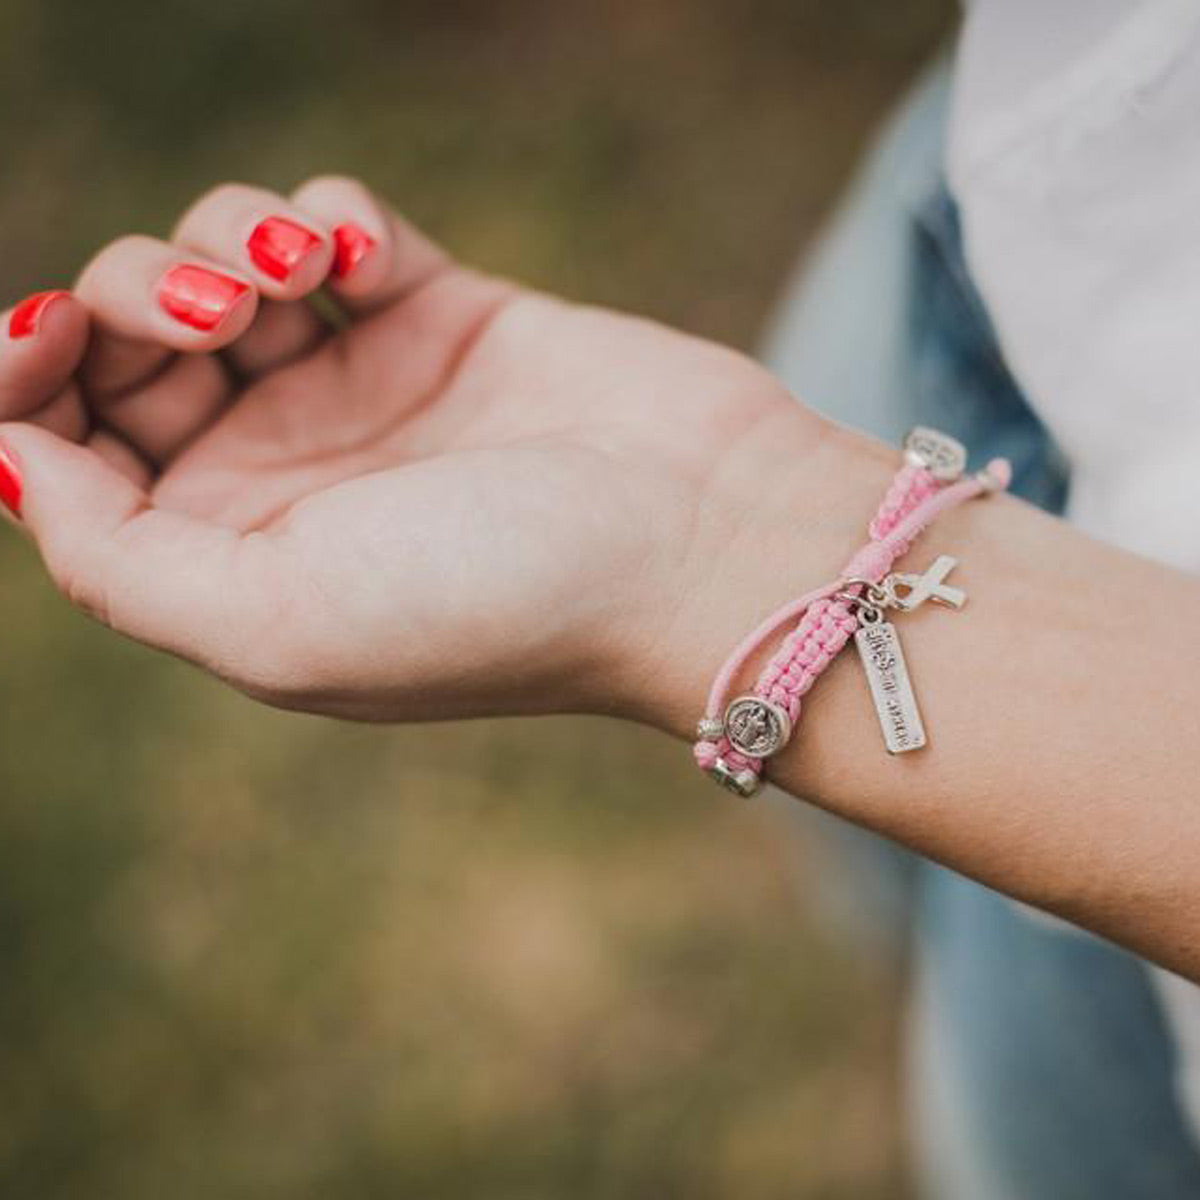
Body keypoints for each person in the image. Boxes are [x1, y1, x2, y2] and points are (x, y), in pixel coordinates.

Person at [2, 5, 1200, 1195]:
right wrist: (743, 504)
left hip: (1112, 759)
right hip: (1019, 200)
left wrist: (694, 564)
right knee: (904, 919)